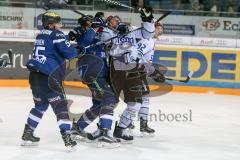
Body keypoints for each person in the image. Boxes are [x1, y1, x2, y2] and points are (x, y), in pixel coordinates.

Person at [20, 11, 78, 150]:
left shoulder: (41, 34)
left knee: (40, 106)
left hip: (35, 76)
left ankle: (27, 134)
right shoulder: (56, 34)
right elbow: (70, 54)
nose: (61, 25)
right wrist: (77, 49)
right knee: (61, 107)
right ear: (50, 24)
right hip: (49, 76)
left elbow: (53, 49)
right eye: (58, 22)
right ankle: (67, 137)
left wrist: (68, 42)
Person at [110, 7, 164, 142]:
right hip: (130, 71)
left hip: (135, 70)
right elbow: (138, 58)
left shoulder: (147, 38)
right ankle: (107, 127)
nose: (160, 31)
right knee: (112, 101)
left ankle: (123, 126)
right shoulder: (147, 39)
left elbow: (140, 58)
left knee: (136, 102)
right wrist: (152, 72)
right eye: (159, 28)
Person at [70, 17, 120, 147]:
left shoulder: (100, 37)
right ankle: (104, 133)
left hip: (99, 74)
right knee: (110, 99)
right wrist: (93, 28)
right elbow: (83, 44)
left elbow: (112, 45)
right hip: (93, 73)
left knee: (99, 104)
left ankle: (78, 128)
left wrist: (120, 33)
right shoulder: (84, 35)